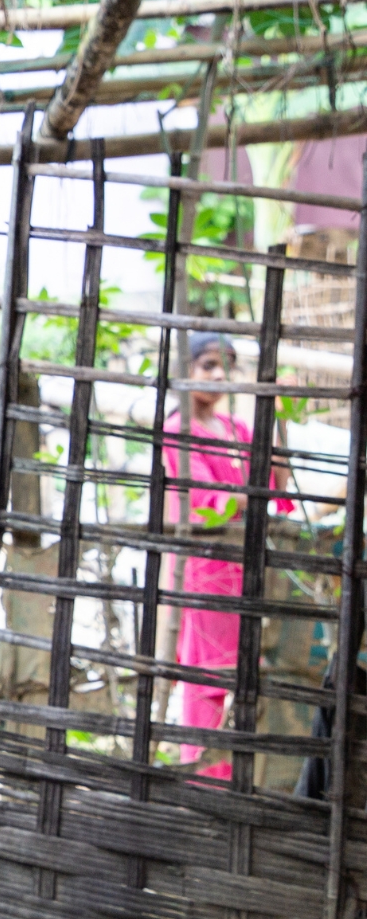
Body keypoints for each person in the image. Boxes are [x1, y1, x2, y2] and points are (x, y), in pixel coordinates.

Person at [165, 332, 292, 780]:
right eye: (208, 366)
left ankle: (244, 781)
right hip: (209, 570)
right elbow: (207, 500)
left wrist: (274, 418)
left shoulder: (237, 429)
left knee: (248, 675)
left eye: (226, 367)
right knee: (207, 681)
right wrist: (248, 494)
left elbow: (277, 484)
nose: (219, 376)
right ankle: (205, 786)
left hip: (246, 569)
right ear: (185, 370)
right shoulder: (178, 429)